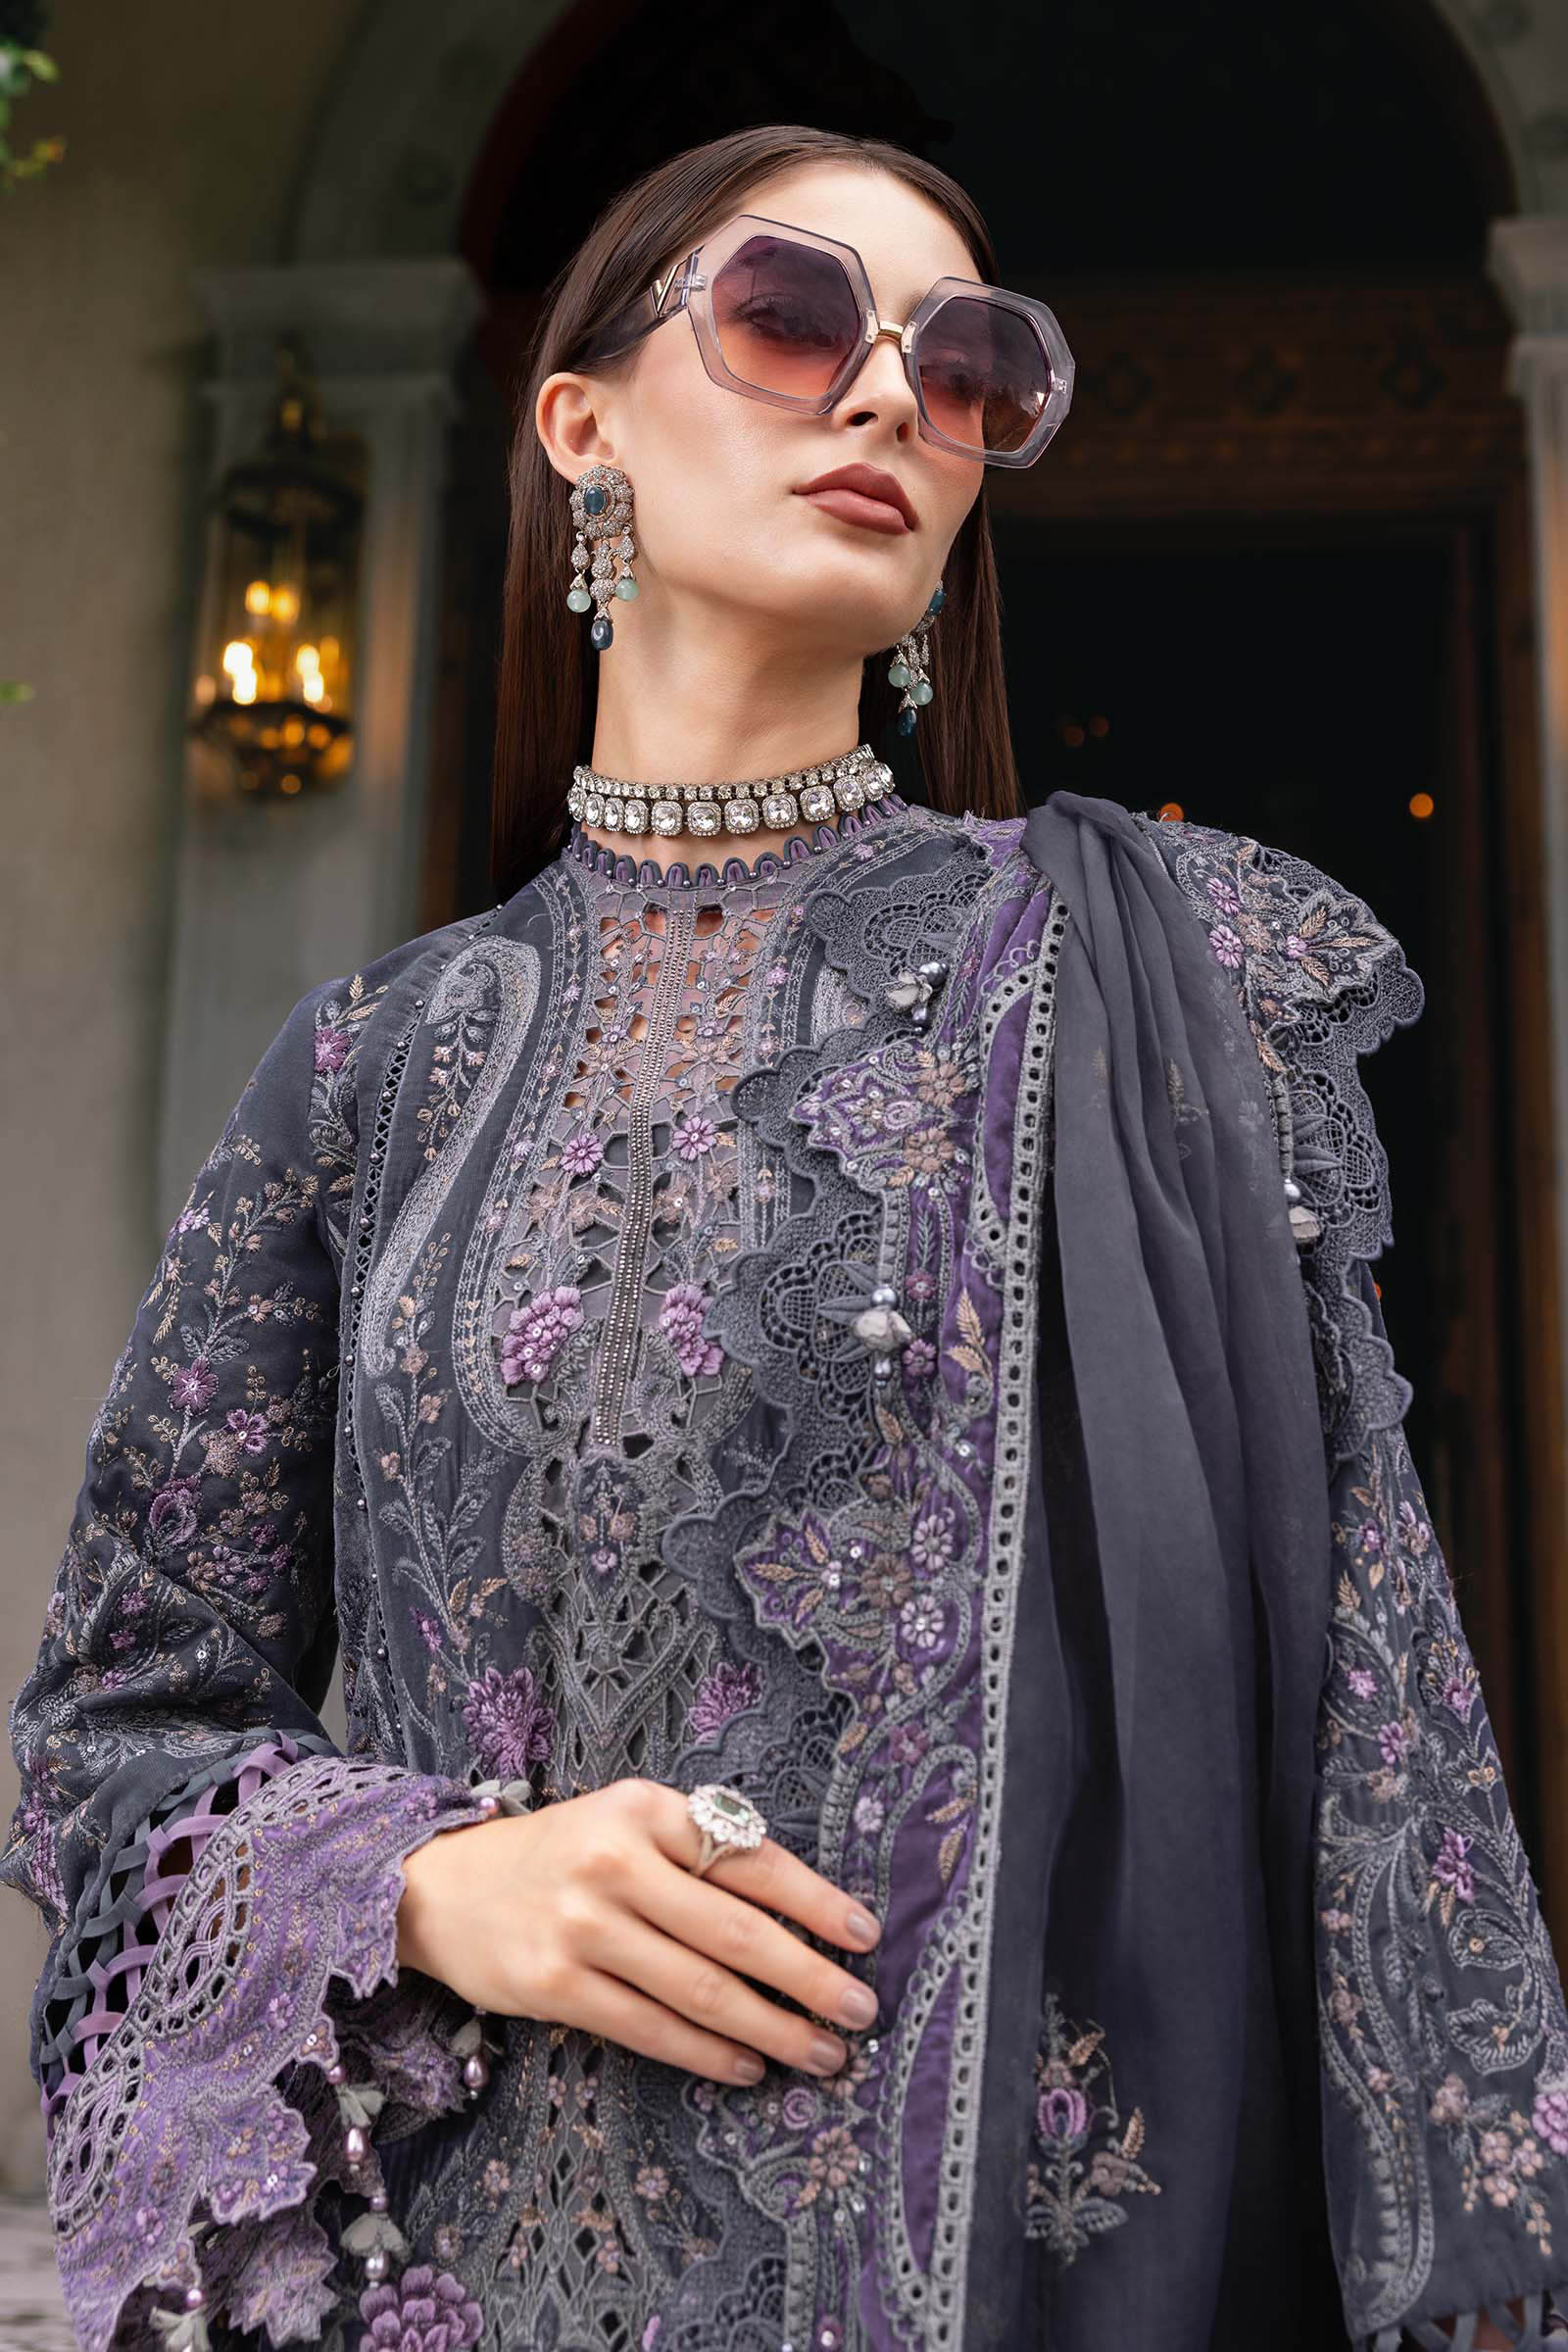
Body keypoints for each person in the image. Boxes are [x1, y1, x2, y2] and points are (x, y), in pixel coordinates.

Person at [5, 121, 1567, 2352]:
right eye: (790, 314)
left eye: (965, 364)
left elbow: (1375, 1717)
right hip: (456, 2285)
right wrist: (427, 1879)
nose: (886, 393)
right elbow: (111, 1727)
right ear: (582, 425)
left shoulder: (1156, 979)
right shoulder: (373, 1068)